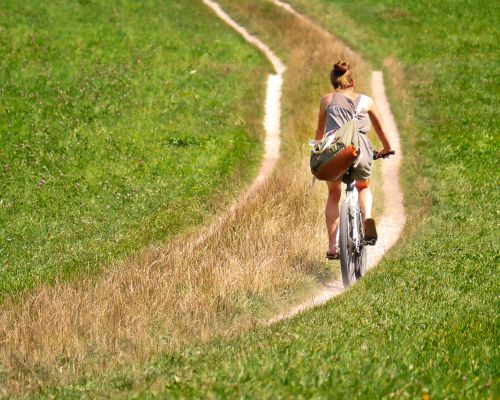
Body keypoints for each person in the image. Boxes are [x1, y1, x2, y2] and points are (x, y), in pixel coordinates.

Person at [315, 60, 393, 259]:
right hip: (361, 151)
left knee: (334, 193)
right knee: (362, 187)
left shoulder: (327, 100)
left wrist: (317, 152)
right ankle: (366, 219)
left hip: (335, 150)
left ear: (334, 83)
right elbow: (381, 129)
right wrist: (386, 148)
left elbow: (319, 132)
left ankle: (333, 246)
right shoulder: (366, 101)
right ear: (353, 82)